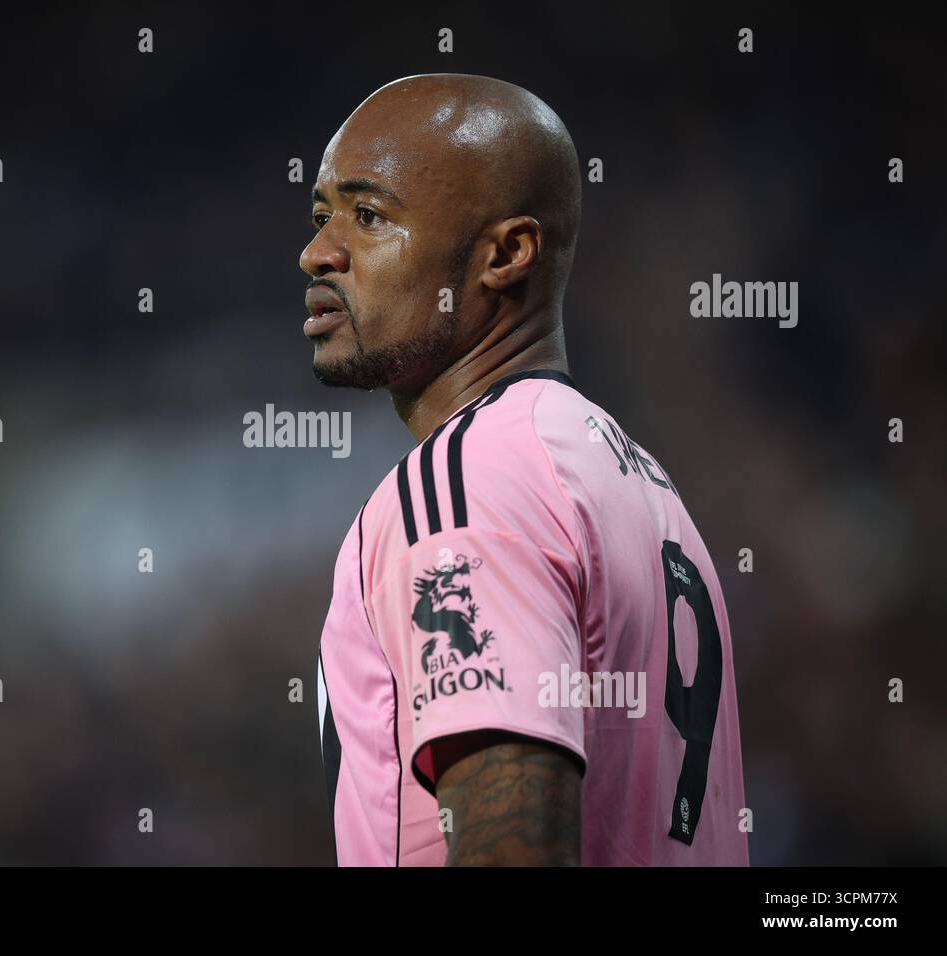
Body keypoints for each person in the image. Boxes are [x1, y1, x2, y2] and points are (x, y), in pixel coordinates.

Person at [303, 73, 748, 866]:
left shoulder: (470, 484)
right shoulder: (632, 478)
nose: (318, 252)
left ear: (506, 254)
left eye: (368, 216)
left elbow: (515, 848)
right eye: (321, 215)